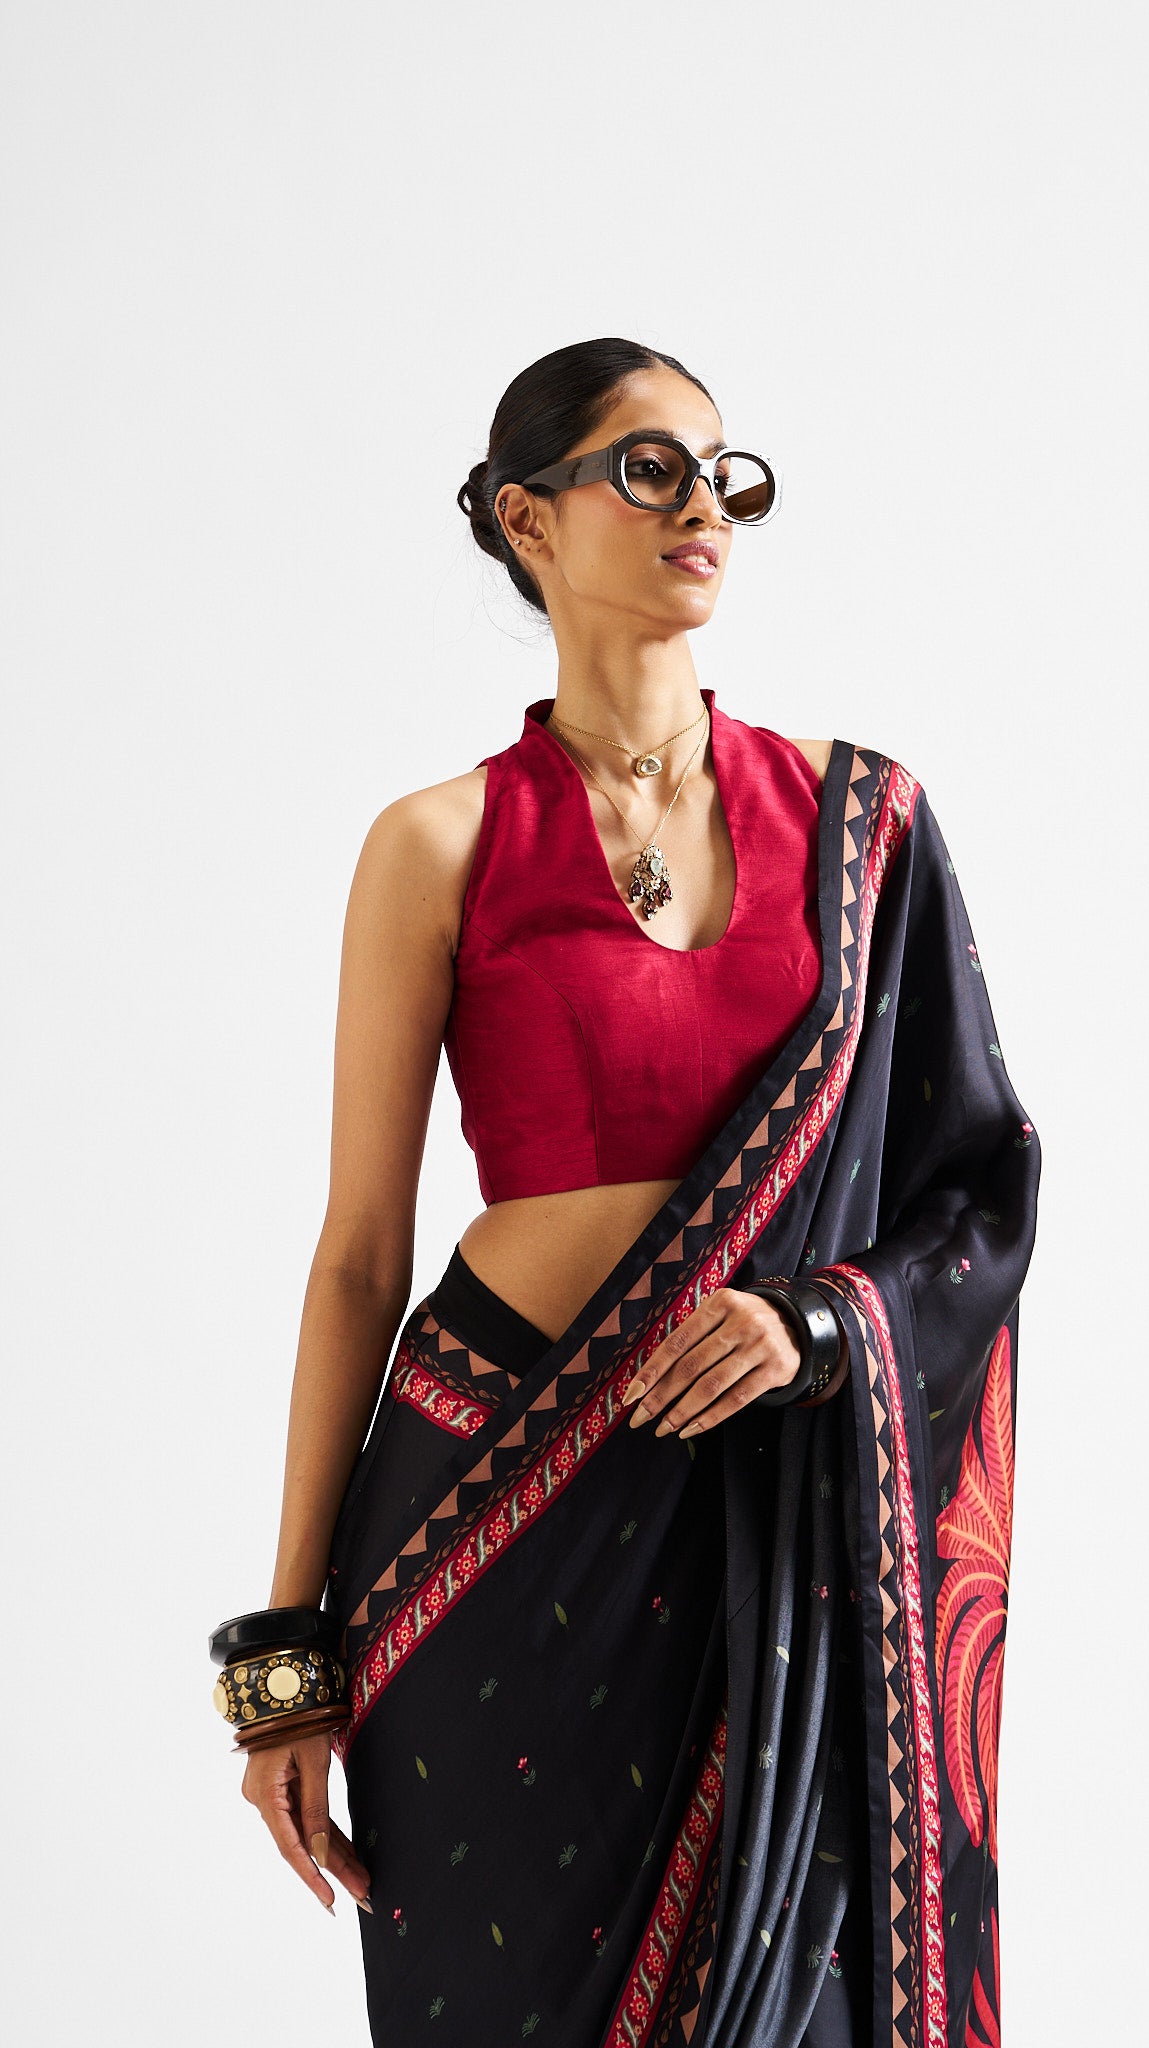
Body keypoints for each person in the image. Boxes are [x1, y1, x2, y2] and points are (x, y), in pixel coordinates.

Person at [211, 337, 1042, 2047]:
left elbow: (979, 1185)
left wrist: (819, 1324)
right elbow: (359, 1257)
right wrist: (284, 1667)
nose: (701, 508)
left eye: (723, 474)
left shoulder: (860, 827)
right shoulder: (439, 842)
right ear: (528, 517)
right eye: (648, 469)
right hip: (491, 1522)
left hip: (771, 1516)